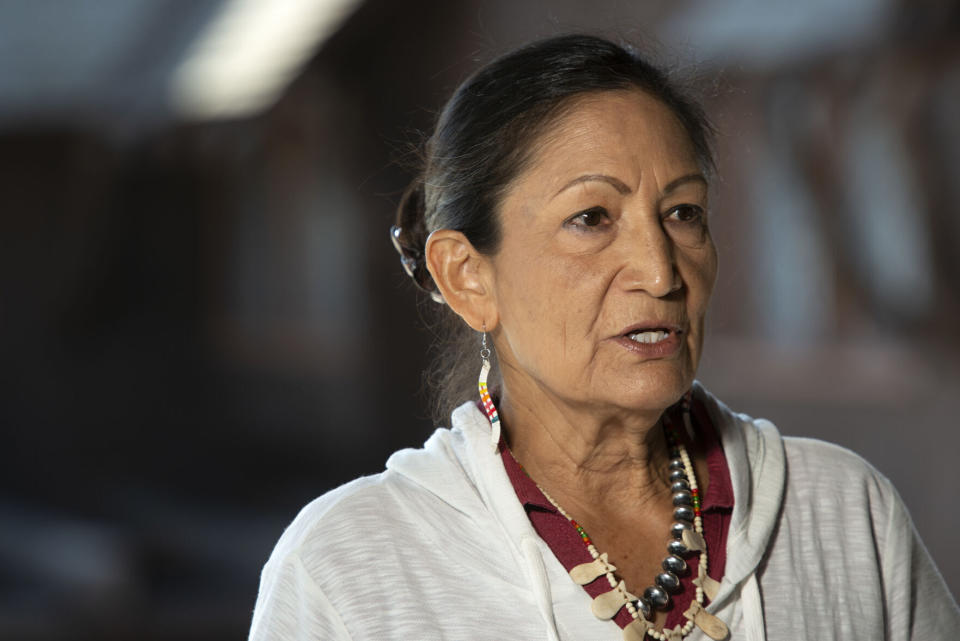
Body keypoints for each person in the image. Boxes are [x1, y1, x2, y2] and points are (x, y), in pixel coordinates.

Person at [247, 34, 959, 641]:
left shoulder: (843, 514)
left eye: (683, 212)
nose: (660, 271)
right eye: (592, 218)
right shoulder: (350, 570)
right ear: (467, 277)